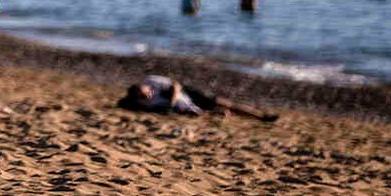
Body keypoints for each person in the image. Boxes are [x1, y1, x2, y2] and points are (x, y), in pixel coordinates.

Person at [118, 76, 278, 122]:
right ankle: (221, 113)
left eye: (145, 93)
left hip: (187, 93)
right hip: (185, 106)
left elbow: (176, 85)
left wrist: (172, 102)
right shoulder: (143, 103)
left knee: (226, 104)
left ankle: (260, 116)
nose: (146, 96)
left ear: (144, 87)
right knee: (207, 112)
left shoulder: (151, 80)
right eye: (142, 97)